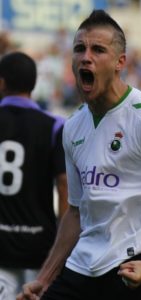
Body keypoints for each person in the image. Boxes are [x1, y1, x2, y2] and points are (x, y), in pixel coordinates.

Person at [17, 10, 141, 300]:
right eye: (79, 49)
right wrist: (45, 277)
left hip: (139, 261)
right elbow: (75, 212)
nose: (86, 57)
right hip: (85, 263)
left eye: (98, 49)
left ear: (120, 62)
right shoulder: (73, 127)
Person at [0, 51, 68, 299]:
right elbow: (64, 187)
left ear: (1, 82)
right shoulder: (55, 126)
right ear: (34, 84)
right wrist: (63, 244)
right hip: (41, 248)